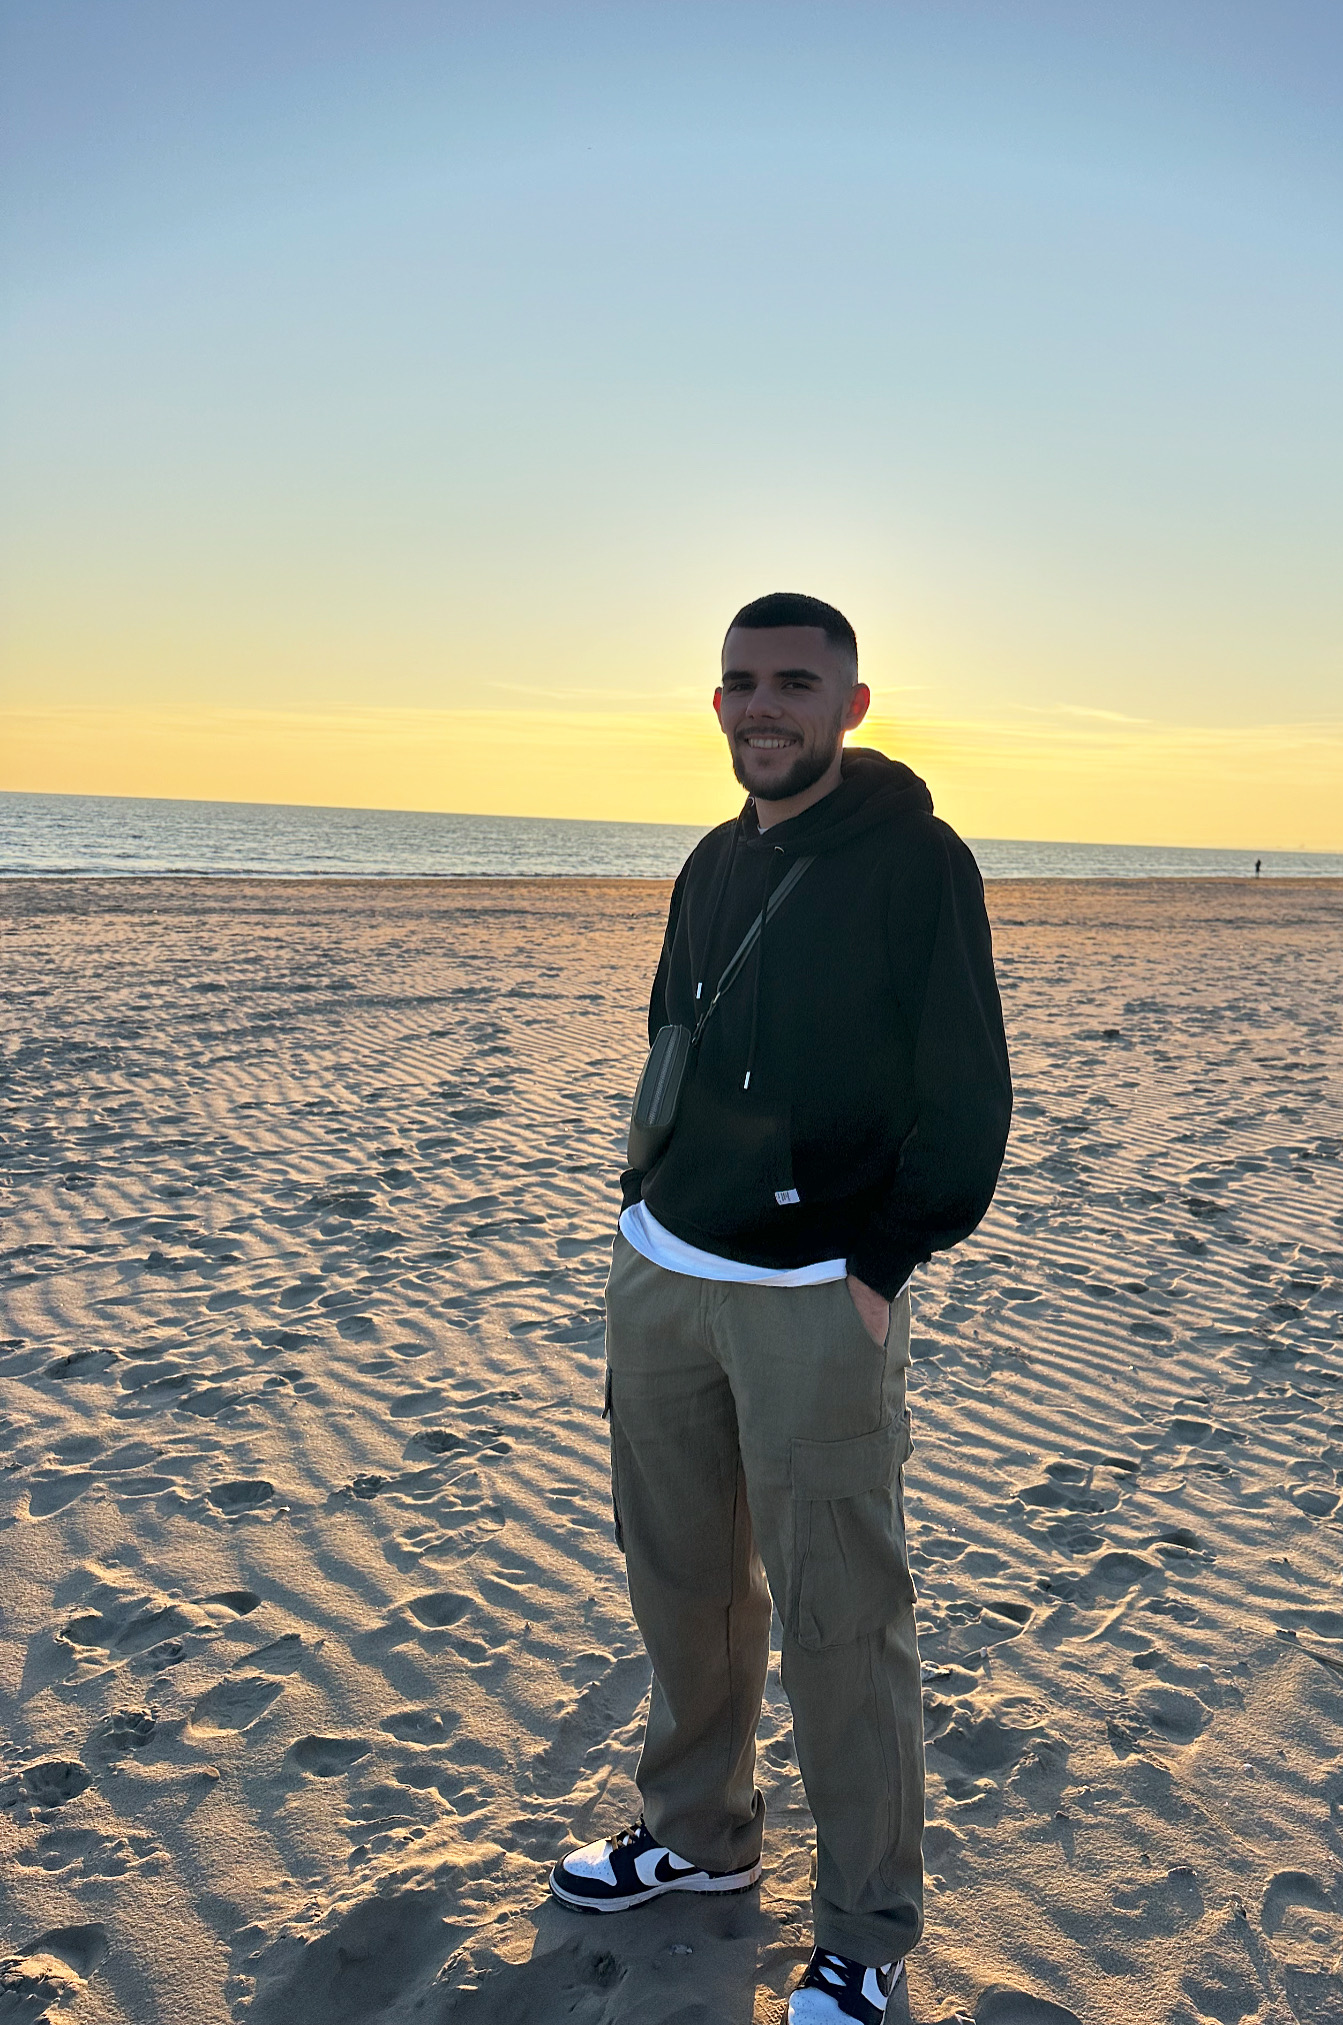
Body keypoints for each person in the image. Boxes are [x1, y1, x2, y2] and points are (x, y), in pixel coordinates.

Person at [548, 591, 1012, 2022]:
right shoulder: (710, 857)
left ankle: (865, 1927)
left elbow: (968, 1088)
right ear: (717, 701)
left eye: (795, 683)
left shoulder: (918, 862)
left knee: (839, 1616)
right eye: (742, 681)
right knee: (681, 1584)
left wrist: (881, 1261)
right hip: (665, 1271)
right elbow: (670, 1035)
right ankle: (698, 1834)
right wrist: (642, 1204)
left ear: (851, 705)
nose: (764, 706)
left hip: (816, 1295)